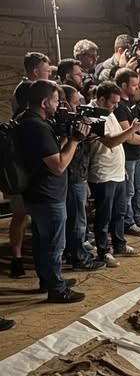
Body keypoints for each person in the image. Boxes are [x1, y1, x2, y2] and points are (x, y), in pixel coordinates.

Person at [17, 80, 88, 302]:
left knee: (42, 241)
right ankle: (57, 289)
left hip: (37, 193)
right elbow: (58, 166)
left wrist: (65, 136)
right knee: (54, 245)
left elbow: (50, 152)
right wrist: (75, 141)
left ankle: (47, 281)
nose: (59, 106)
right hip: (47, 195)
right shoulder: (37, 127)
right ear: (44, 103)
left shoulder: (25, 120)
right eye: (56, 101)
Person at [88, 81, 140, 267]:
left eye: (118, 102)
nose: (116, 106)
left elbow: (119, 141)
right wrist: (131, 129)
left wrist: (123, 167)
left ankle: (119, 244)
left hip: (117, 171)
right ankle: (103, 251)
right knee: (104, 216)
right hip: (103, 173)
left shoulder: (109, 112)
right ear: (101, 99)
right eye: (113, 102)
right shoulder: (93, 115)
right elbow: (110, 142)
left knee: (119, 212)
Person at [9, 52, 52, 277]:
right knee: (22, 214)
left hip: (27, 163)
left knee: (25, 214)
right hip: (23, 164)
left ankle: (25, 258)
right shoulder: (27, 90)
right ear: (35, 71)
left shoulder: (27, 89)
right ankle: (18, 258)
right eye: (46, 70)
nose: (49, 74)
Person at [60, 85, 105, 271]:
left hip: (79, 173)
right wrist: (74, 136)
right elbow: (62, 149)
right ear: (65, 104)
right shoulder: (62, 125)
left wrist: (86, 135)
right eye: (76, 102)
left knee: (77, 219)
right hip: (73, 176)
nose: (80, 107)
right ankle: (79, 258)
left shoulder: (74, 122)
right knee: (77, 220)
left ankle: (73, 253)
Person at [113, 68, 140, 236]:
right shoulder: (119, 107)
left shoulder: (131, 101)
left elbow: (135, 128)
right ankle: (128, 222)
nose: (137, 88)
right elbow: (129, 137)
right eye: (133, 85)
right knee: (129, 191)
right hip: (128, 155)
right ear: (123, 85)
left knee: (139, 188)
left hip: (138, 154)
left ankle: (138, 218)